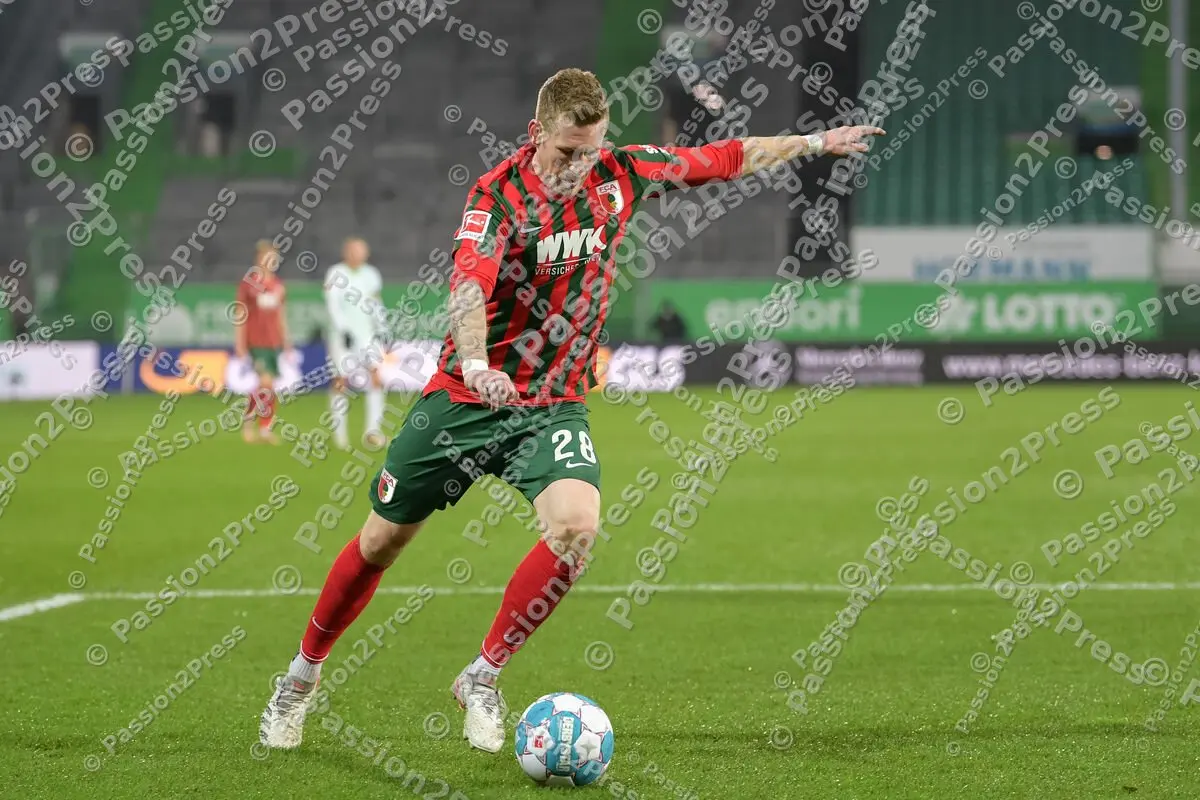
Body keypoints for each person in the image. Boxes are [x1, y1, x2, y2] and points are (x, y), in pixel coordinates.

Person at [259, 68, 882, 754]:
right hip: (466, 398)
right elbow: (470, 286)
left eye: (590, 150)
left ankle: (483, 675)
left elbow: (724, 158)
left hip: (551, 404)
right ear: (536, 135)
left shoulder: (622, 173)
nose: (578, 166)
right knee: (381, 542)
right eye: (565, 152)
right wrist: (474, 363)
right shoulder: (497, 196)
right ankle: (299, 679)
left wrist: (816, 141)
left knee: (577, 528)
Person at [324, 237, 387, 450]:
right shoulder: (335, 273)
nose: (358, 255)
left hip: (366, 335)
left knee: (376, 377)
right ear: (346, 252)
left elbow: (376, 303)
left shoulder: (371, 274)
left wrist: (382, 328)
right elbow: (333, 305)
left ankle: (373, 431)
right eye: (354, 251)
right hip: (342, 337)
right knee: (341, 381)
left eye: (361, 251)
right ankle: (340, 435)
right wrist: (343, 329)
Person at [235, 240, 287, 445]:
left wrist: (287, 340)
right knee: (265, 382)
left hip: (274, 341)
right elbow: (240, 313)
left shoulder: (278, 286)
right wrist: (239, 342)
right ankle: (251, 423)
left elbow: (281, 314)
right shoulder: (250, 283)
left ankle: (263, 427)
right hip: (255, 340)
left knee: (269, 386)